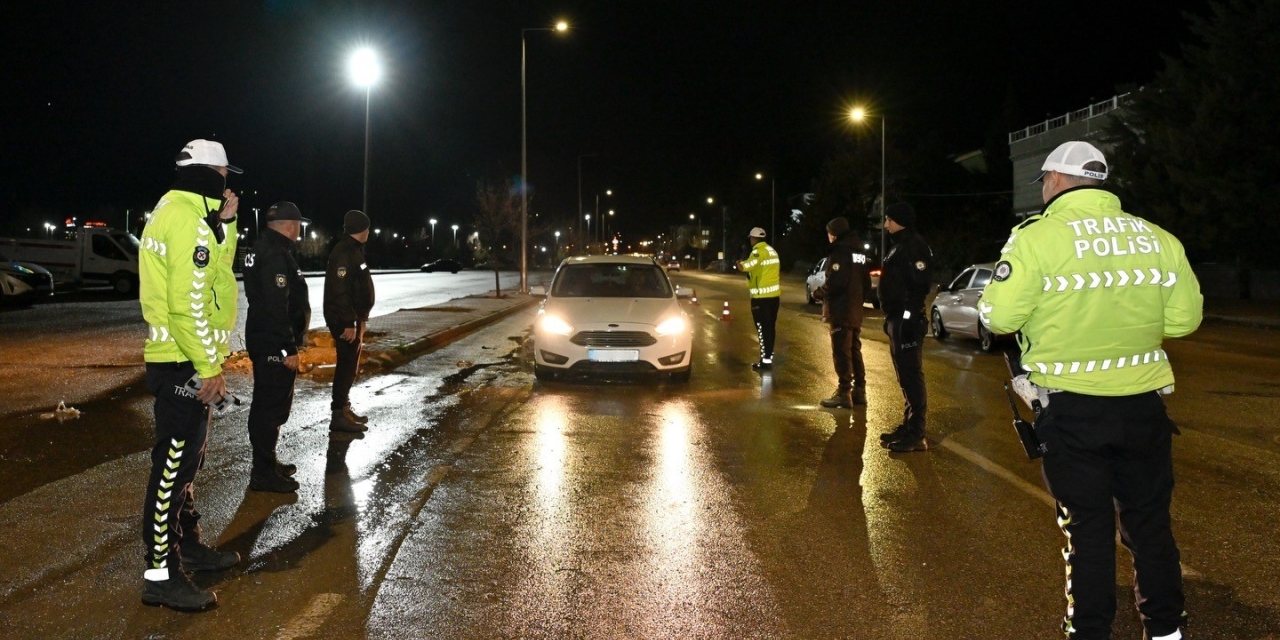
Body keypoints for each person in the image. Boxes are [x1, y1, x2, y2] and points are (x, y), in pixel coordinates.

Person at [980, 141, 1202, 640]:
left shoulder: (1036, 239)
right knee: (1150, 525)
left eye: (1043, 182)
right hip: (1144, 408)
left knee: (1089, 531)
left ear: (1056, 180)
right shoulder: (1157, 238)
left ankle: (1091, 632)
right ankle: (1166, 631)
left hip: (1073, 412)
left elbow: (998, 316)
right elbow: (1186, 321)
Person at [136, 139, 243, 611]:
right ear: (208, 174)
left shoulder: (185, 214)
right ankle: (160, 573)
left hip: (184, 356)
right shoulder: (185, 220)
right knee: (172, 469)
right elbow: (187, 306)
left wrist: (227, 226)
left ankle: (190, 546)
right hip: (183, 359)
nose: (228, 183)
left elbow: (220, 274)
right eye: (224, 174)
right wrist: (208, 368)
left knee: (187, 463)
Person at [243, 202, 311, 493]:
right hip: (273, 343)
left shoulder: (263, 248)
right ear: (291, 225)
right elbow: (276, 306)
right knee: (270, 408)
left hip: (266, 338)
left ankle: (267, 464)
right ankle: (262, 473)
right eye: (298, 225)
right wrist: (288, 348)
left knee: (269, 406)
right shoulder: (274, 254)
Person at [877, 202, 933, 452]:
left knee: (911, 374)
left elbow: (918, 287)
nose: (885, 224)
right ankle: (909, 425)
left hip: (906, 319)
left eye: (888, 219)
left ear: (899, 220)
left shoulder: (914, 246)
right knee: (904, 374)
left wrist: (907, 318)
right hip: (897, 318)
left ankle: (916, 433)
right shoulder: (899, 245)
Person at [324, 210, 375, 433]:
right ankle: (338, 415)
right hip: (346, 321)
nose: (370, 232)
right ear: (362, 229)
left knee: (350, 366)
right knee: (345, 367)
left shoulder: (353, 250)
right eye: (368, 228)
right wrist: (348, 322)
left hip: (355, 318)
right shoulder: (344, 252)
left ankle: (344, 408)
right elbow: (340, 291)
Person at [814, 217, 871, 408]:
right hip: (854, 309)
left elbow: (836, 282)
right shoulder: (859, 254)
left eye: (829, 233)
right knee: (854, 348)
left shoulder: (839, 253)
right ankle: (859, 391)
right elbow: (866, 284)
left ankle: (843, 392)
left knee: (841, 350)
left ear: (835, 234)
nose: (828, 236)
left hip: (841, 309)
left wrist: (819, 293)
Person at [735, 227, 781, 370]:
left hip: (761, 298)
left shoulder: (757, 252)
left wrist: (740, 265)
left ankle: (765, 361)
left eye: (750, 238)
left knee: (762, 329)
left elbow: (748, 266)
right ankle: (768, 356)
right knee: (770, 328)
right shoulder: (772, 251)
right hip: (774, 297)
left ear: (753, 239)